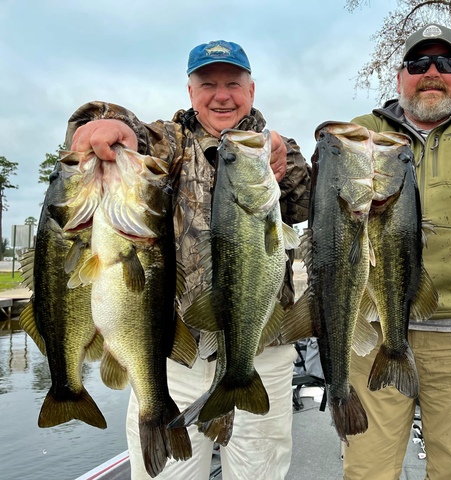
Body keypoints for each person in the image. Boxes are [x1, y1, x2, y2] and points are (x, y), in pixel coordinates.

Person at [65, 40, 310, 479]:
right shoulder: (167, 143)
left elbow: (310, 203)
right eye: (207, 84)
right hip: (175, 353)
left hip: (260, 353)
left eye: (233, 84)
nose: (221, 95)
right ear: (190, 91)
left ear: (251, 91)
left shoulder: (275, 148)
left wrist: (284, 158)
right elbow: (127, 131)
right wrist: (98, 125)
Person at [343, 24, 451, 480]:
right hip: (377, 326)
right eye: (419, 64)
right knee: (367, 469)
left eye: (446, 62)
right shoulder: (365, 133)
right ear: (400, 76)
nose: (433, 72)